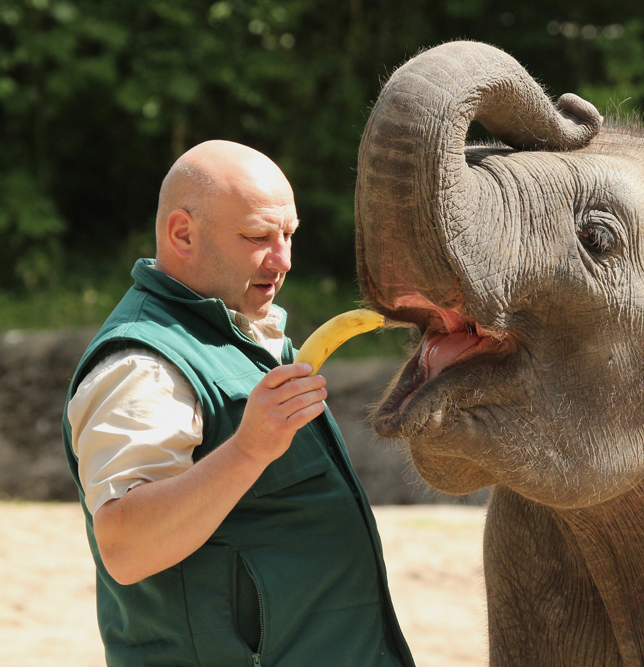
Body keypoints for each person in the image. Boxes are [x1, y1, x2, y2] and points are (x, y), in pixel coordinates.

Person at [61, 140, 415, 667]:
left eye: (289, 235)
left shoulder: (239, 332)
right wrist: (250, 449)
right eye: (257, 237)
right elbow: (126, 547)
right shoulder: (142, 364)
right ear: (182, 233)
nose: (284, 259)